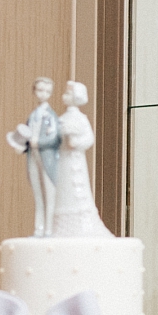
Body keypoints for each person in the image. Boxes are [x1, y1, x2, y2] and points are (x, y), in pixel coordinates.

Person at [53, 80, 113, 238]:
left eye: (68, 93)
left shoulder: (81, 119)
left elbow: (89, 138)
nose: (64, 96)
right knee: (64, 188)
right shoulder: (61, 119)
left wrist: (77, 143)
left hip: (77, 161)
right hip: (63, 162)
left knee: (78, 188)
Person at [7, 77, 62, 237]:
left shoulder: (51, 116)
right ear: (34, 91)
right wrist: (22, 147)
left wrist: (37, 142)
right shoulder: (33, 116)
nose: (43, 94)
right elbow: (27, 135)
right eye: (40, 90)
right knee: (37, 193)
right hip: (33, 157)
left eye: (47, 91)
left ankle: (49, 229)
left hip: (47, 158)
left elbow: (55, 138)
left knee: (49, 194)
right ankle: (39, 228)